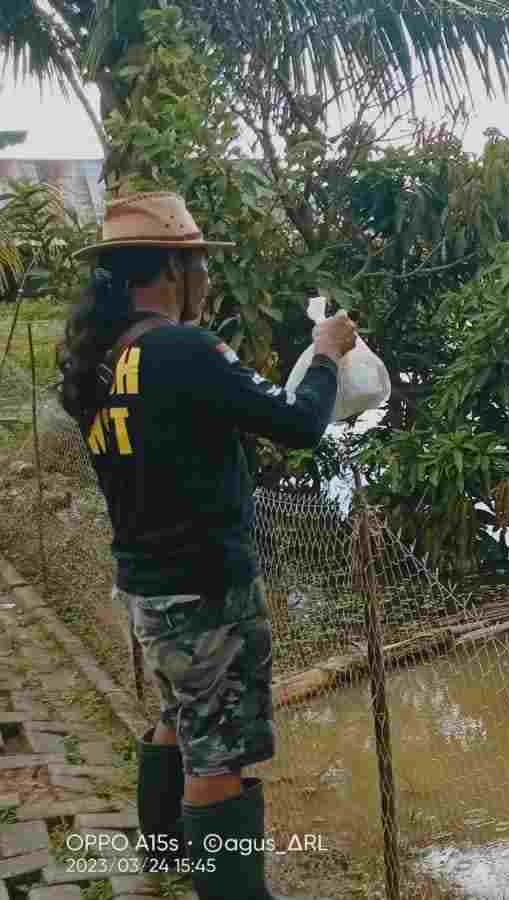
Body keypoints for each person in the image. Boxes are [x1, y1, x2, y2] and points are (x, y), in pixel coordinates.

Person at [58, 192, 358, 899]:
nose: (206, 282)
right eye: (198, 267)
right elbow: (297, 423)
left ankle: (165, 859)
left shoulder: (103, 359)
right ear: (171, 268)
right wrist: (325, 355)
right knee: (217, 759)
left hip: (146, 585)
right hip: (205, 590)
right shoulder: (181, 348)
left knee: (178, 716)